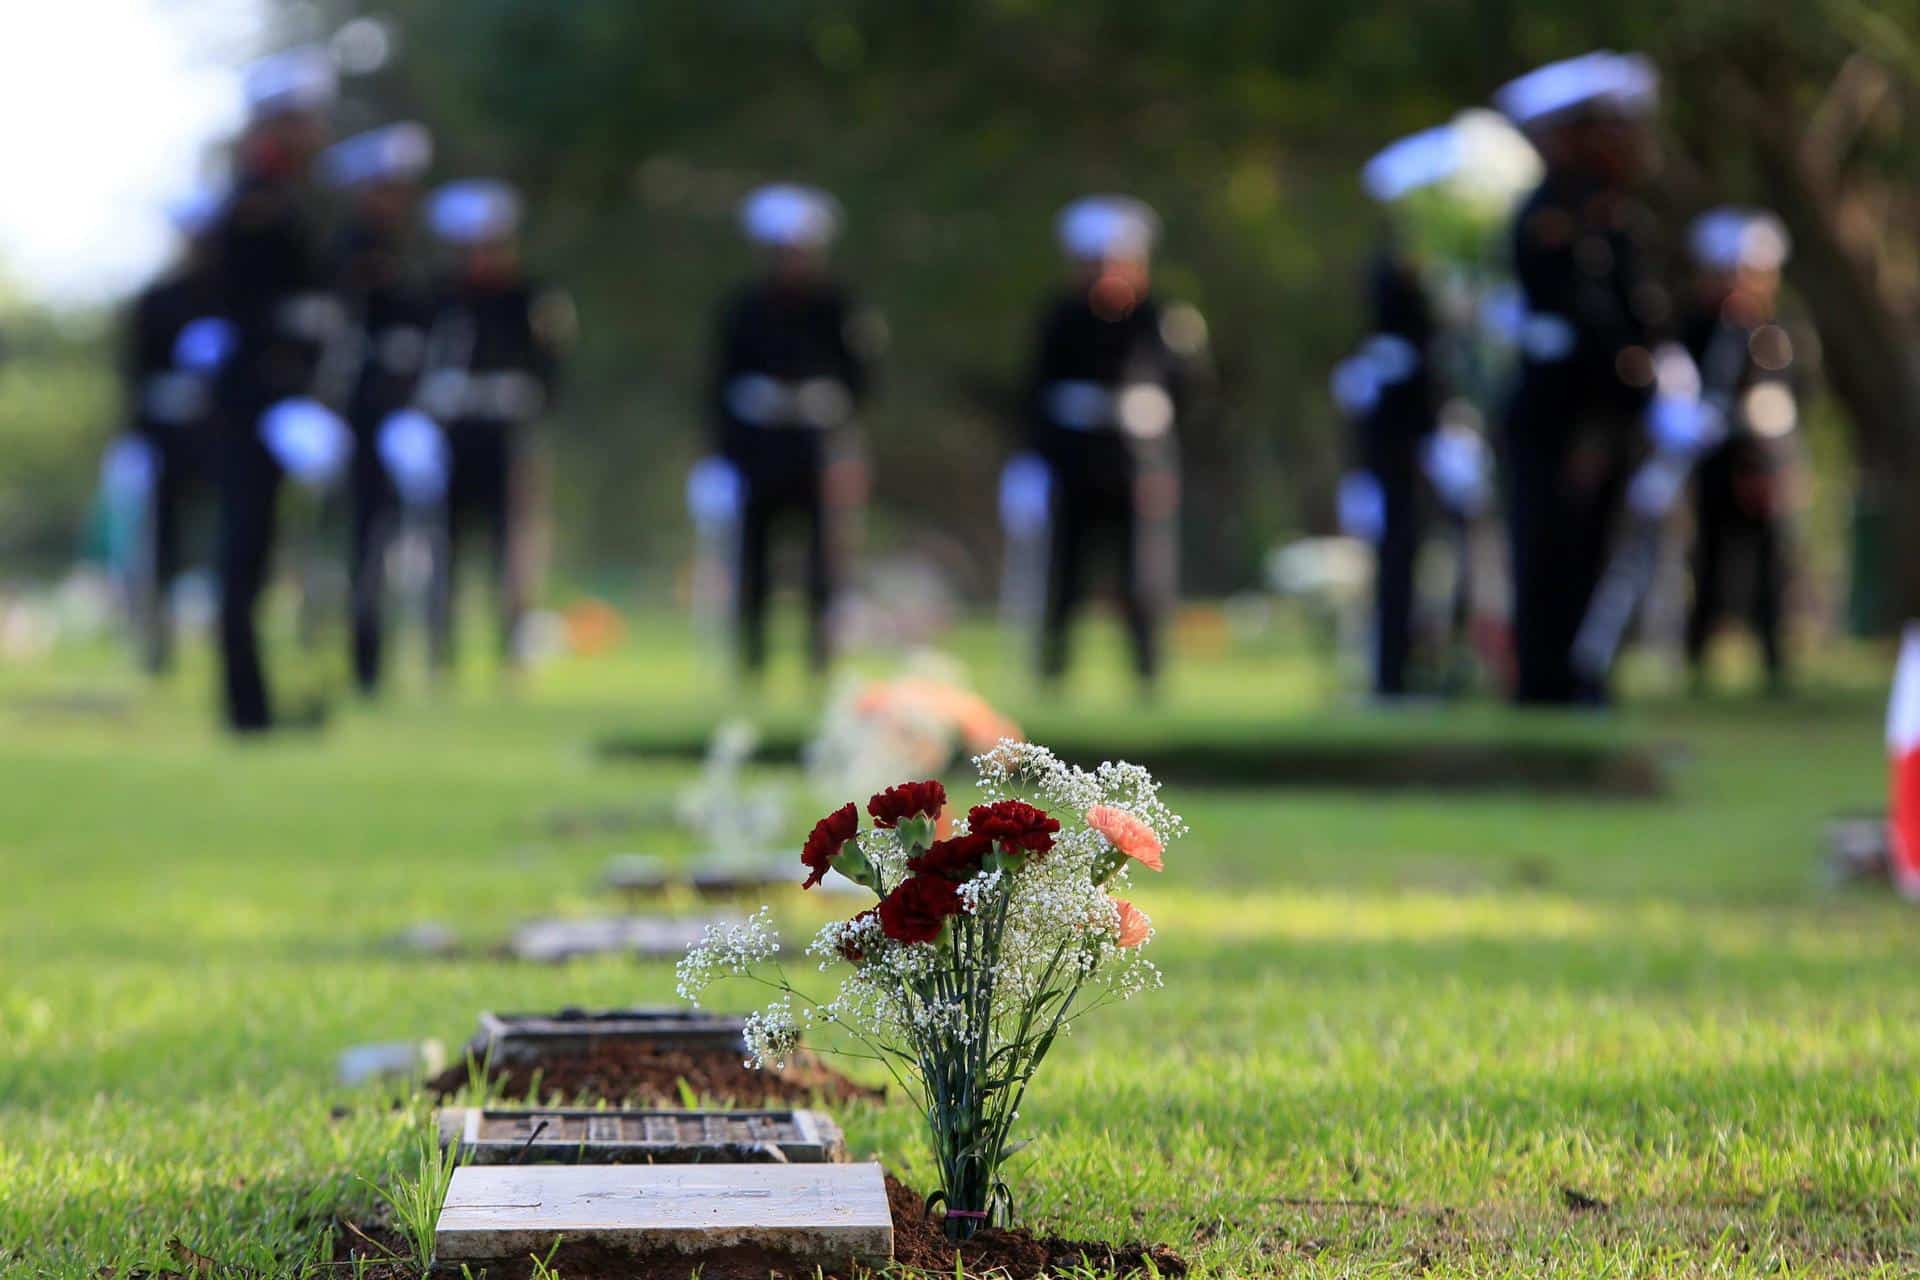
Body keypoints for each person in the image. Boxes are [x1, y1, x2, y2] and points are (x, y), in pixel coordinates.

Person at [1493, 51, 1667, 705]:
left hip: (1603, 406)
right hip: (1563, 411)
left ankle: (1579, 671)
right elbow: (1586, 321)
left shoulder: (1609, 211)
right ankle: (1548, 677)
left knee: (1593, 545)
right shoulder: (1555, 214)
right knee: (1551, 547)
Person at [207, 46, 350, 732]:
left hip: (289, 405)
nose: (318, 129)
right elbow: (249, 315)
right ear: (277, 123)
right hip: (258, 406)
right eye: (306, 117)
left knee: (267, 557)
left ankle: (260, 702)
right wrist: (280, 400)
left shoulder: (294, 198)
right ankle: (246, 706)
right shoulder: (256, 203)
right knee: (244, 555)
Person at [1028, 195, 1205, 690]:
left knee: (1143, 572)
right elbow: (1038, 392)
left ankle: (1148, 672)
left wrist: (1167, 451)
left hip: (1138, 458)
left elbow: (1189, 390)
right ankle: (1053, 670)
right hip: (1074, 456)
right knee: (1066, 569)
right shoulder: (1060, 316)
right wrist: (1032, 460)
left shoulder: (1163, 317)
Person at [709, 183, 877, 679]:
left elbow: (861, 384)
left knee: (825, 556)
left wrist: (849, 451)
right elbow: (720, 385)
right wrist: (720, 455)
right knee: (753, 555)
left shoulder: (840, 308)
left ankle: (820, 656)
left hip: (818, 442)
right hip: (759, 444)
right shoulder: (743, 308)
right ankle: (751, 657)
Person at [418, 179, 572, 673]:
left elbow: (552, 372)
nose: (484, 257)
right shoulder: (438, 298)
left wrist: (528, 397)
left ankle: (513, 648)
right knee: (444, 543)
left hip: (510, 435)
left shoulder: (532, 299)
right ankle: (440, 648)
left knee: (516, 545)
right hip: (451, 435)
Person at [320, 122, 437, 694]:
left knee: (388, 541)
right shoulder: (344, 252)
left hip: (404, 413)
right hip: (353, 414)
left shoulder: (410, 248)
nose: (394, 198)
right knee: (357, 539)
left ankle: (382, 658)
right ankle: (358, 658)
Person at [1681, 208, 1801, 693]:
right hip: (1717, 460)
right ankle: (1697, 656)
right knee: (1709, 560)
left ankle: (1773, 661)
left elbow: (1787, 394)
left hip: (1766, 459)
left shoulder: (1773, 332)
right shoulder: (1702, 328)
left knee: (1770, 565)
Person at [122, 184, 228, 673]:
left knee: (227, 535)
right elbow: (135, 378)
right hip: (166, 435)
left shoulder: (230, 301)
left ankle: (225, 631)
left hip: (219, 433)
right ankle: (155, 640)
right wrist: (134, 438)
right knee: (162, 538)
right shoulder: (156, 300)